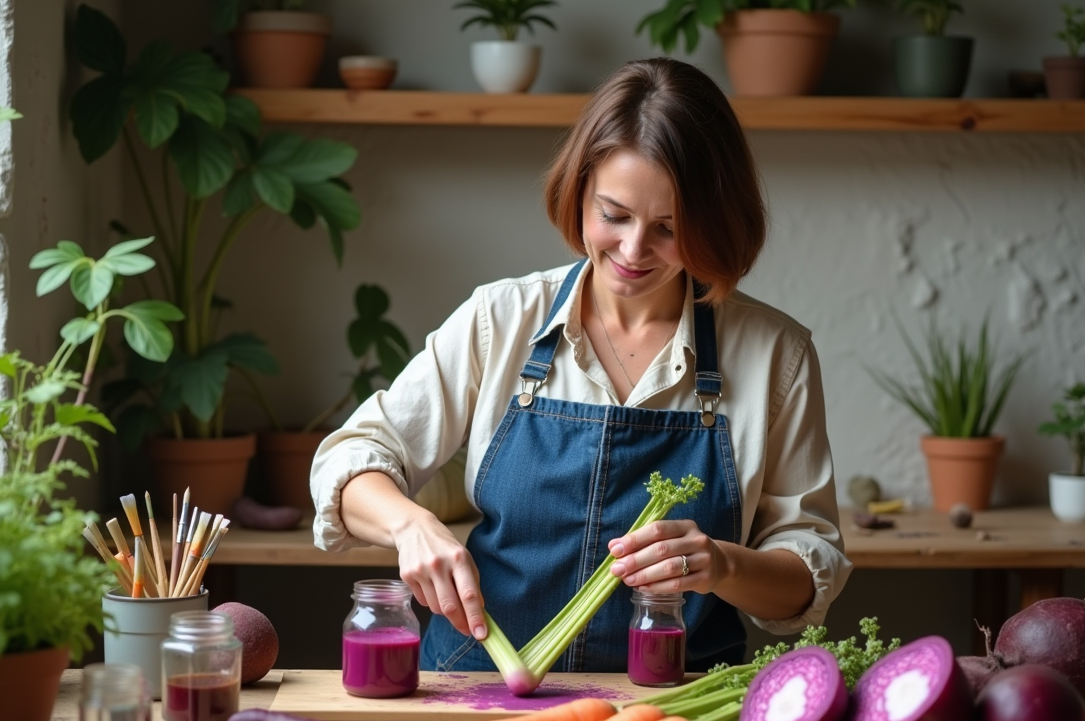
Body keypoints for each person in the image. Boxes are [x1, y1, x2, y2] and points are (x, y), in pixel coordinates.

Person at [310, 57, 852, 673]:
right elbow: (349, 459)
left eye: (669, 228)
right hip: (477, 693)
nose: (632, 250)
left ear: (716, 222)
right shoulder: (502, 319)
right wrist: (409, 525)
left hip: (671, 706)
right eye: (614, 215)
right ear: (579, 190)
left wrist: (724, 565)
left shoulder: (775, 355)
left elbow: (808, 569)